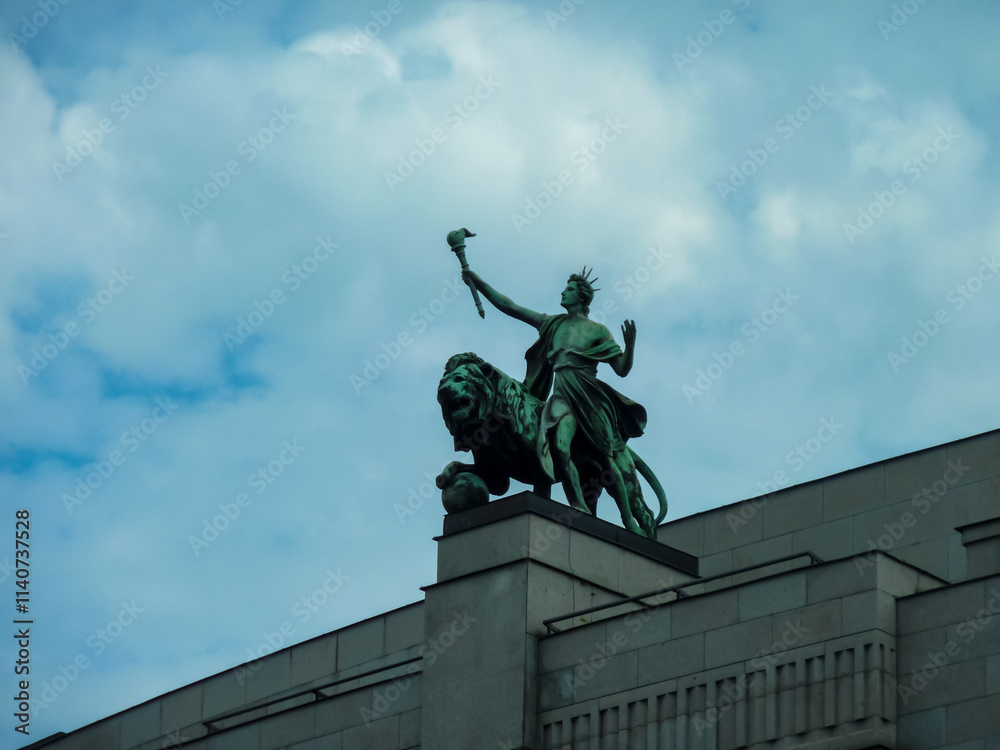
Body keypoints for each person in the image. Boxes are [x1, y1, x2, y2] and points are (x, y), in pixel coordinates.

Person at [462, 267, 649, 535]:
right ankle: (577, 504)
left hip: (590, 399)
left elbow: (621, 369)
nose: (563, 291)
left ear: (581, 297)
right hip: (561, 397)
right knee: (559, 448)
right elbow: (510, 306)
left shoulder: (598, 331)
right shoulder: (553, 324)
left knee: (606, 461)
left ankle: (629, 519)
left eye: (569, 289)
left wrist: (629, 347)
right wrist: (477, 281)